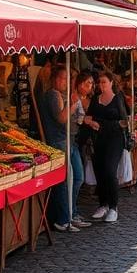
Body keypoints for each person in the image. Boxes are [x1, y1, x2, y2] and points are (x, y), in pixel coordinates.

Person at [38, 66, 87, 233]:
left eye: (67, 79)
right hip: (57, 142)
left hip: (68, 141)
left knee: (78, 177)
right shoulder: (52, 95)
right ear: (55, 79)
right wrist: (73, 104)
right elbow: (61, 118)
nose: (65, 82)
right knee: (67, 180)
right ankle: (64, 218)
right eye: (62, 79)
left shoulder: (60, 95)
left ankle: (72, 212)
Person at [84, 69, 127, 222]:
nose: (101, 85)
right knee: (100, 171)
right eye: (99, 82)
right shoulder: (96, 100)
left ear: (111, 83)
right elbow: (87, 117)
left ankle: (114, 207)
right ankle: (103, 204)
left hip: (114, 139)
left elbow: (124, 121)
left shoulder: (117, 99)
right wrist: (90, 122)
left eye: (104, 82)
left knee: (109, 170)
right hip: (98, 139)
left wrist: (107, 125)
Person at [69, 71, 96, 227]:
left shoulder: (87, 99)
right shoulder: (73, 98)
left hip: (77, 140)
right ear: (78, 84)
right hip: (73, 140)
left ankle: (73, 211)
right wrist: (87, 120)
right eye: (87, 83)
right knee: (76, 178)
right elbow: (74, 118)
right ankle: (71, 212)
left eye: (91, 83)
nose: (89, 86)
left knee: (78, 177)